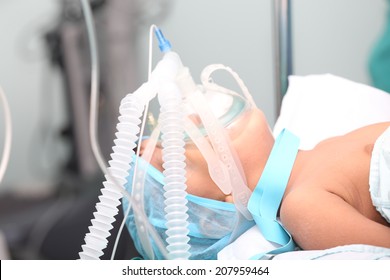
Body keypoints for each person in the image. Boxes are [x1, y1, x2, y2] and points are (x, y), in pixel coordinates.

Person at [138, 107, 390, 252]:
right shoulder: (302, 207)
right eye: (170, 162)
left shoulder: (322, 149)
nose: (192, 124)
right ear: (221, 208)